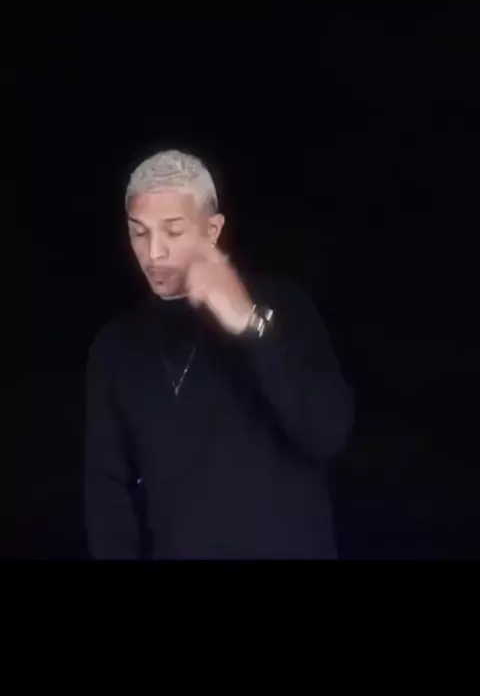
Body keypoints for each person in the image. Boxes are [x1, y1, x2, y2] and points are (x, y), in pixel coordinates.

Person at [85, 149, 353, 559]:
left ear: (212, 229)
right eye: (139, 232)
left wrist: (250, 325)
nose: (153, 253)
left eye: (173, 231)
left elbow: (326, 432)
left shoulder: (285, 306)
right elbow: (107, 492)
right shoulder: (115, 346)